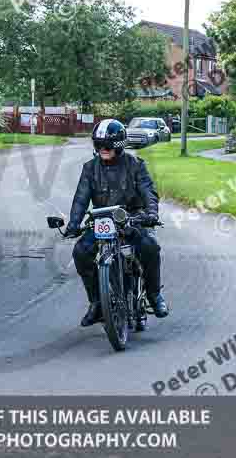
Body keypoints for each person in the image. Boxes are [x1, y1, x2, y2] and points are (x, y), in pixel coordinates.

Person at [65, 118, 169, 327]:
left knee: (150, 247)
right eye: (98, 144)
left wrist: (151, 213)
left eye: (107, 144)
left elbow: (148, 191)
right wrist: (73, 224)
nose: (102, 148)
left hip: (132, 218)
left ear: (119, 144)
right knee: (81, 252)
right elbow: (81, 198)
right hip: (103, 220)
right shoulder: (90, 168)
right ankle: (96, 303)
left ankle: (154, 295)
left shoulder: (135, 165)